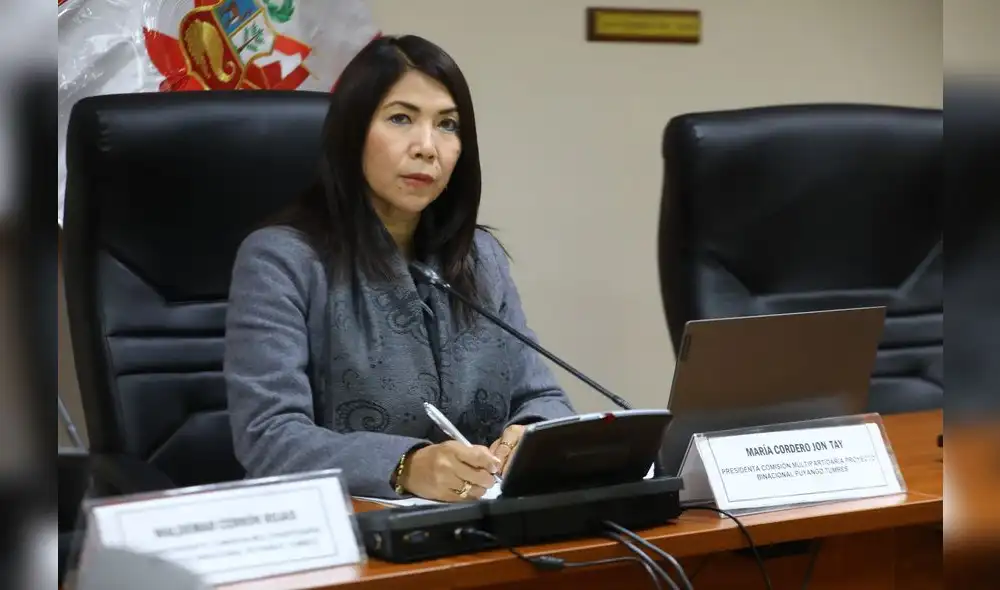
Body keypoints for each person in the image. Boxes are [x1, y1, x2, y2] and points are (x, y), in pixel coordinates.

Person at [224, 35, 576, 503]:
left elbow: (543, 399)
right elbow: (268, 437)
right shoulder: (282, 259)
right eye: (400, 118)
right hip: (339, 530)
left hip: (475, 524)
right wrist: (406, 466)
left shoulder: (479, 256)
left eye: (447, 125)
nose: (427, 147)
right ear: (352, 133)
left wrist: (527, 436)